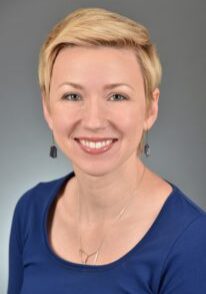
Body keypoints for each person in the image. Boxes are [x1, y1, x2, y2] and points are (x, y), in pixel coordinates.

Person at [7, 7, 206, 294]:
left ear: (151, 108)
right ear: (47, 108)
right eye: (72, 95)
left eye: (117, 96)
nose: (94, 121)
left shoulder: (193, 241)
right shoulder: (30, 209)